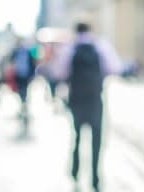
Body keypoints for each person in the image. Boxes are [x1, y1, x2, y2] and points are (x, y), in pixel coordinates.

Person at [52, 22, 122, 191]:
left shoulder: (70, 49)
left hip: (76, 98)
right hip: (95, 99)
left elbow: (59, 73)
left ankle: (75, 171)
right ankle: (95, 178)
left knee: (76, 136)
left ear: (76, 31)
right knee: (96, 139)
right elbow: (115, 68)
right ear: (90, 30)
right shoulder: (100, 46)